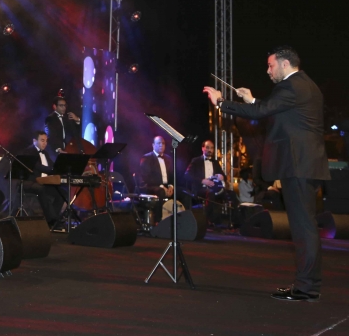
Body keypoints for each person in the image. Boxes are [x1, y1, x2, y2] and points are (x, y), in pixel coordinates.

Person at [204, 46, 329, 302]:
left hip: (298, 166)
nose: (268, 71)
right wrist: (250, 99)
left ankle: (306, 288)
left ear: (284, 64)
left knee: (303, 228)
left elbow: (261, 112)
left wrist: (221, 103)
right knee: (305, 226)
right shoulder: (305, 85)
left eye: (271, 65)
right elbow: (271, 109)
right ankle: (306, 284)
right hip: (306, 165)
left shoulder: (290, 86)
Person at [138, 135, 192, 220]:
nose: (161, 145)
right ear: (153, 145)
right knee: (160, 191)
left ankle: (186, 219)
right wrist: (161, 186)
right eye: (159, 143)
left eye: (163, 143)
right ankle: (159, 220)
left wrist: (171, 186)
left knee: (185, 193)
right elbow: (146, 177)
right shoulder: (147, 158)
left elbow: (172, 176)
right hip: (152, 186)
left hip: (167, 187)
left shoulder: (168, 159)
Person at [20, 131, 63, 226]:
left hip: (45, 182)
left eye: (46, 141)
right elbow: (38, 167)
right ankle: (52, 220)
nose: (45, 143)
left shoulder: (45, 153)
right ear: (34, 141)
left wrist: (60, 170)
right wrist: (52, 170)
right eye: (42, 140)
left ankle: (52, 220)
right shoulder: (29, 151)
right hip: (31, 182)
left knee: (62, 193)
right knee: (42, 189)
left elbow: (52, 166)